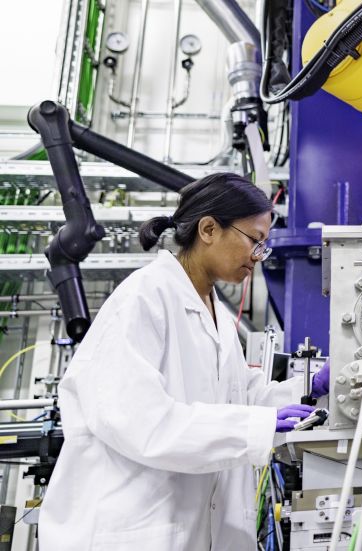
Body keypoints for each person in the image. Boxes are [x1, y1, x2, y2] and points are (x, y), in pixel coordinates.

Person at [39, 173, 330, 550]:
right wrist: (257, 425)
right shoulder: (144, 299)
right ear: (209, 229)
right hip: (132, 531)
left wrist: (309, 389)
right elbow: (140, 421)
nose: (258, 257)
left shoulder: (220, 318)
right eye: (254, 242)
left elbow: (241, 400)